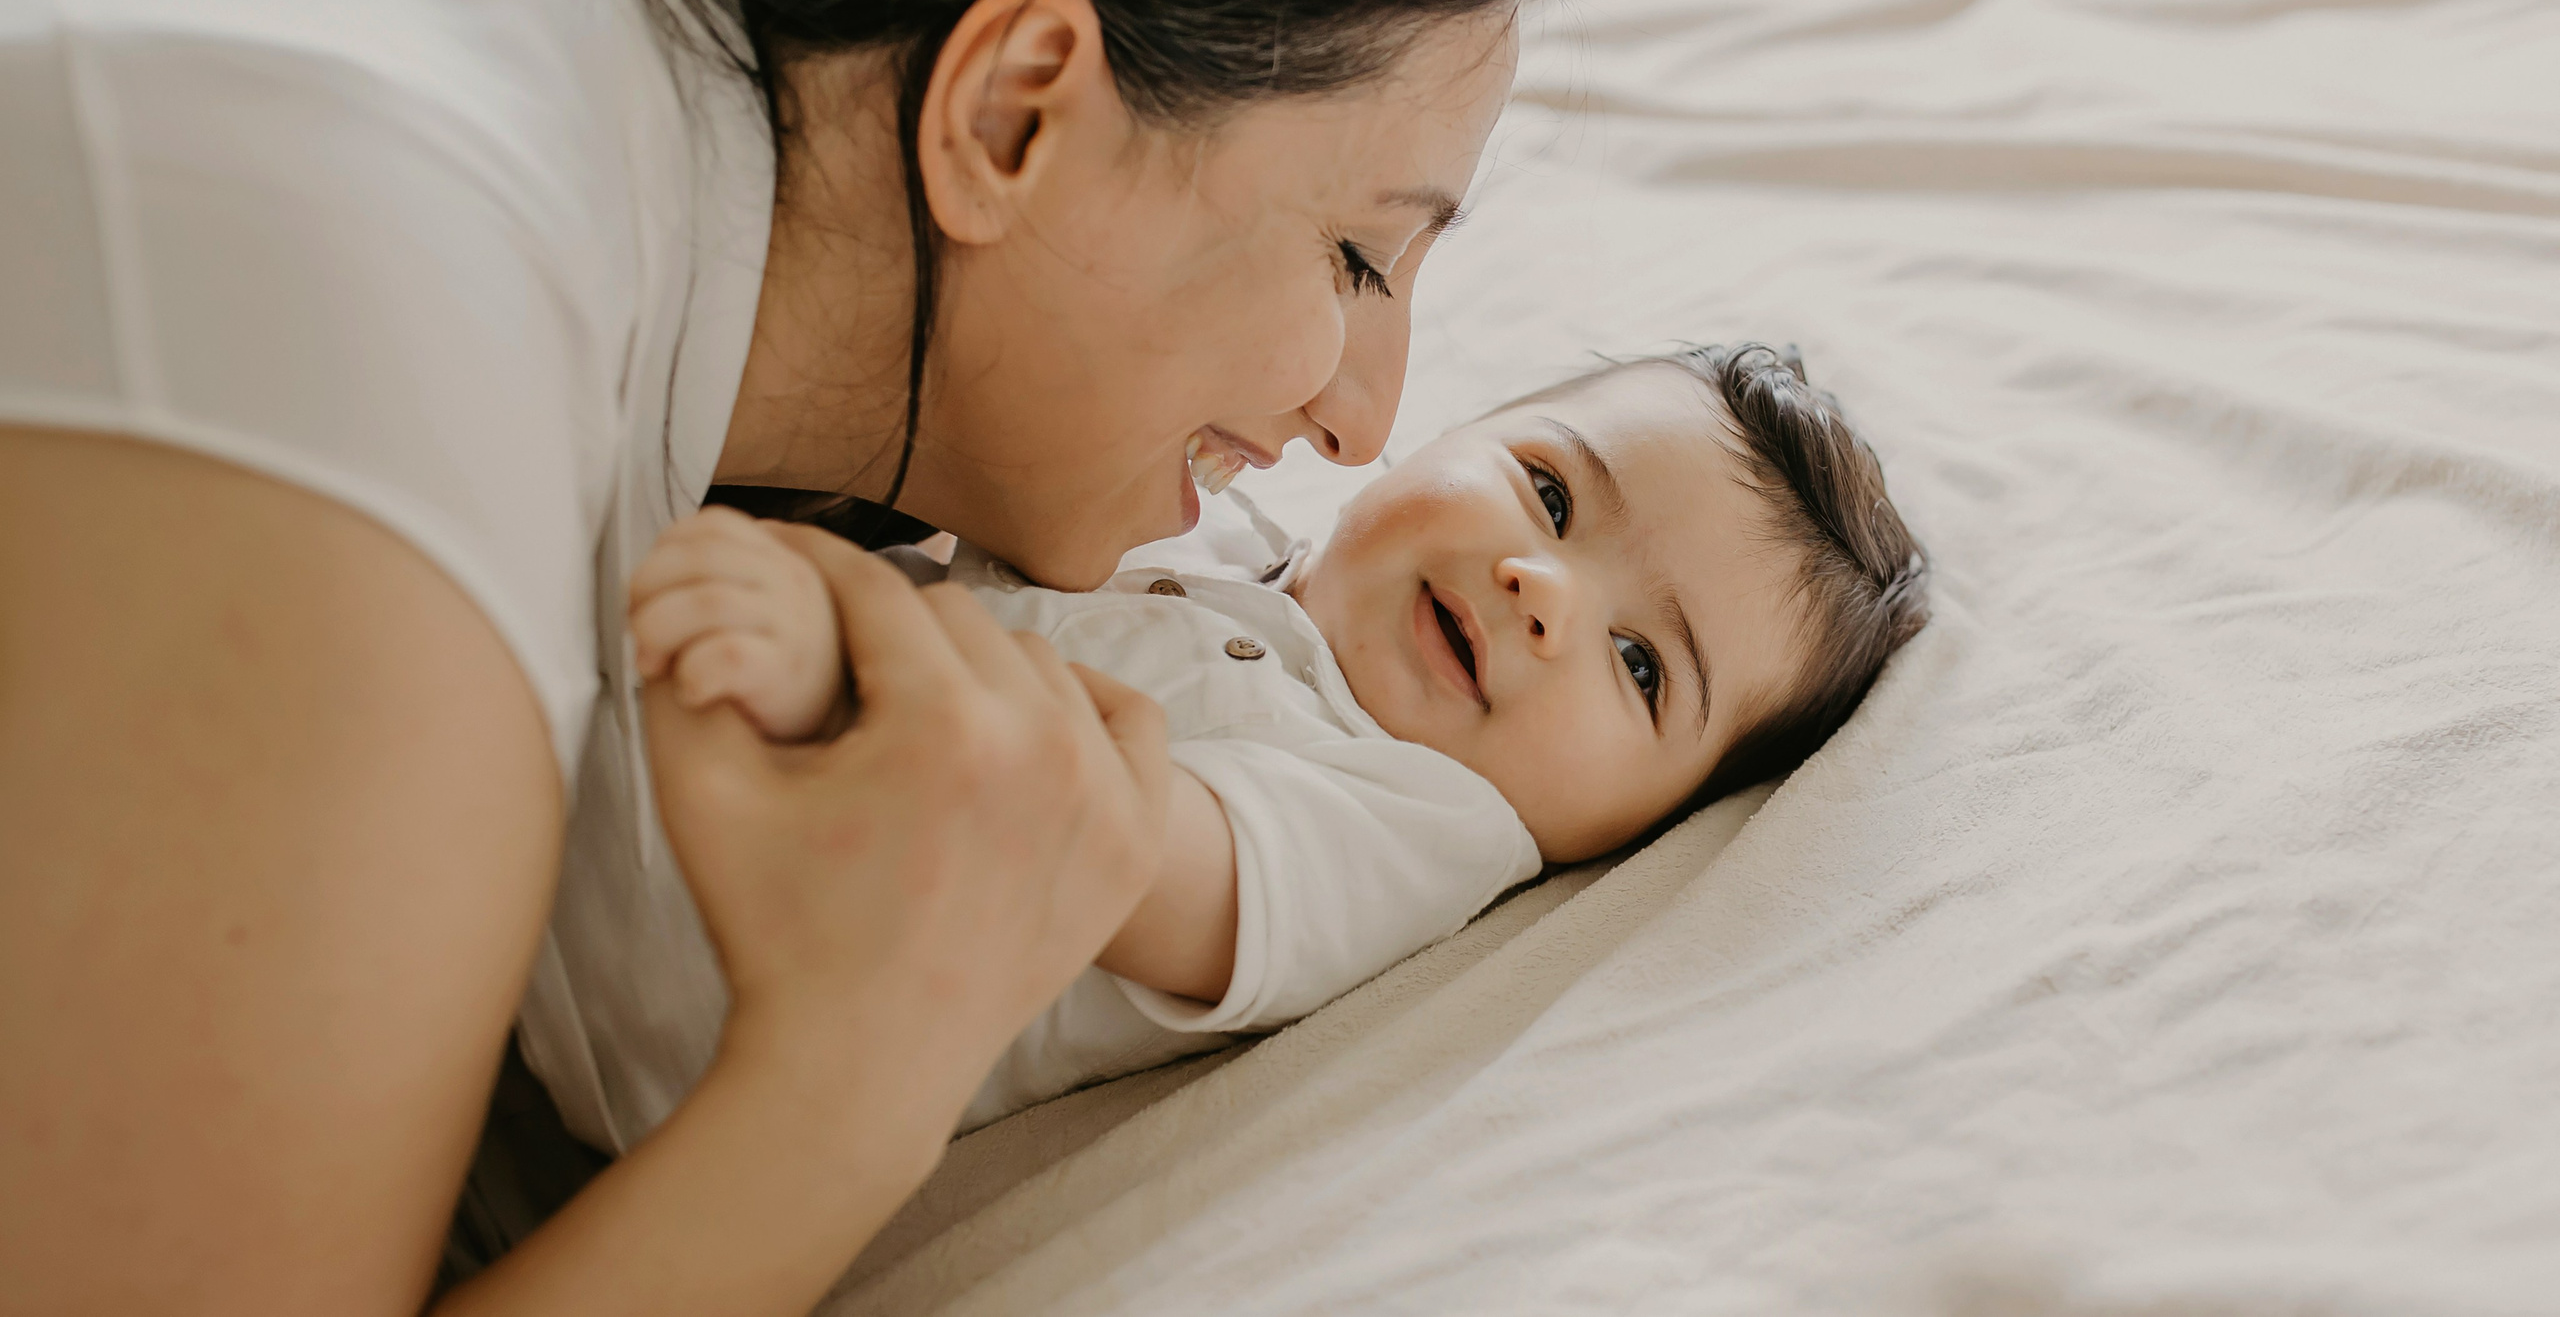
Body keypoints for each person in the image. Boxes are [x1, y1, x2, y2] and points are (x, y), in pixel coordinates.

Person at [0, 0, 1548, 1310]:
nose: (1364, 420)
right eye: (1354, 257)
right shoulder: (402, 386)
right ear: (1014, 113)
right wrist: (868, 1056)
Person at [631, 343, 1932, 1129]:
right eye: (1547, 491)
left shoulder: (1417, 825)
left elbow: (1095, 829)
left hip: (660, 985)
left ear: (1641, 827)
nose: (1546, 592)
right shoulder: (1210, 532)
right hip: (622, 733)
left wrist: (836, 655)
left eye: (1642, 665)